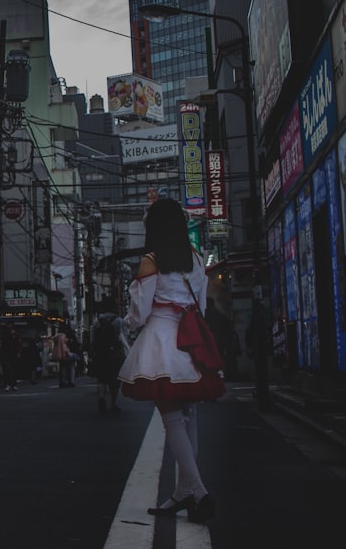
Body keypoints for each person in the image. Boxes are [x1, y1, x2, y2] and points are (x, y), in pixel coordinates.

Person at [117, 198, 225, 524]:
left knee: (172, 419)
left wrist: (128, 320)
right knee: (189, 417)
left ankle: (200, 491)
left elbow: (139, 314)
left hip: (161, 340)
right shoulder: (194, 258)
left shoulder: (151, 260)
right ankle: (183, 493)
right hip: (190, 340)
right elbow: (201, 306)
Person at [90, 297, 130, 413]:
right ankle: (113, 404)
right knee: (114, 379)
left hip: (101, 353)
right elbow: (123, 338)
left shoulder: (97, 321)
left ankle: (101, 398)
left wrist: (94, 352)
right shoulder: (119, 321)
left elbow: (93, 340)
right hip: (115, 354)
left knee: (101, 378)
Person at [204, 297, 237, 379]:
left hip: (207, 343)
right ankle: (221, 374)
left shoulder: (203, 316)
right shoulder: (221, 316)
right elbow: (228, 332)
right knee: (220, 359)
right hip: (221, 343)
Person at [0, 326, 20, 391]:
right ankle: (9, 384)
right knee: (8, 369)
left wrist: (18, 352)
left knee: (12, 369)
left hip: (11, 354)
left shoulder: (14, 336)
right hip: (7, 354)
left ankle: (12, 384)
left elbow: (18, 344)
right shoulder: (6, 337)